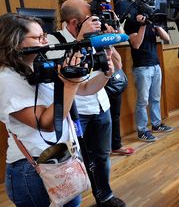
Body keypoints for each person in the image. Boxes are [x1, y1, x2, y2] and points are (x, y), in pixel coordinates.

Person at [0, 13, 110, 206]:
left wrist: (106, 74)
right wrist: (70, 84)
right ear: (14, 42)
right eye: (38, 37)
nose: (44, 41)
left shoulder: (36, 67)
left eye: (44, 35)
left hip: (59, 159)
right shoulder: (6, 79)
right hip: (32, 169)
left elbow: (83, 89)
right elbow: (47, 124)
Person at [47, 0, 126, 207]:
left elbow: (117, 67)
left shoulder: (95, 37)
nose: (96, 22)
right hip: (75, 110)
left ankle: (104, 196)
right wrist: (82, 38)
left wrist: (108, 43)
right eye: (90, 19)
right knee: (75, 162)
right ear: (74, 23)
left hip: (100, 104)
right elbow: (65, 72)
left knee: (102, 156)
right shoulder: (52, 40)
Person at [124, 14, 173, 142]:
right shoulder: (131, 23)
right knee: (143, 101)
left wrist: (156, 24)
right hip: (142, 68)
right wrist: (143, 25)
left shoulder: (152, 23)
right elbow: (136, 44)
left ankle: (156, 124)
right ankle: (142, 130)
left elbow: (166, 38)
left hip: (155, 65)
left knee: (156, 98)